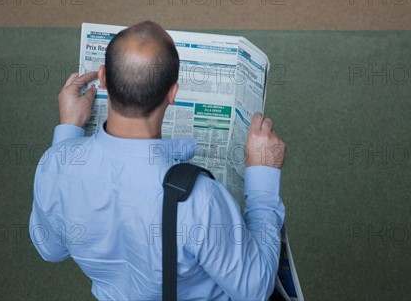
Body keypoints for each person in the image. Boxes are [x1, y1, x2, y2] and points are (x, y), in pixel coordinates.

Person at [29, 21, 286, 300]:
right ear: (173, 93)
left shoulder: (54, 165)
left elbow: (50, 249)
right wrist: (263, 178)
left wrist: (68, 130)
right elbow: (256, 289)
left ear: (102, 78)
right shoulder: (201, 200)